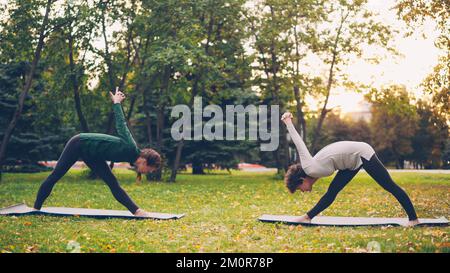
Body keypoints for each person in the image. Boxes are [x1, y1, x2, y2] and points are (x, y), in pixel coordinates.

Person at [33, 88, 161, 217]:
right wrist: (117, 103)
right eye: (150, 169)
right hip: (79, 144)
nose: (149, 172)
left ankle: (137, 212)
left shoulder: (132, 156)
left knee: (113, 183)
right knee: (56, 175)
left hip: (94, 155)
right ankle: (35, 209)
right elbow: (122, 124)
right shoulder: (130, 147)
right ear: (144, 161)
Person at [281, 112, 419, 227]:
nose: (304, 192)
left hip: (361, 154)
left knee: (389, 185)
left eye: (300, 189)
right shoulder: (313, 170)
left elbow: (299, 144)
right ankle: (307, 217)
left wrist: (288, 122)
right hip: (349, 163)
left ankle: (413, 219)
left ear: (301, 180)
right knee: (332, 192)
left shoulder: (309, 168)